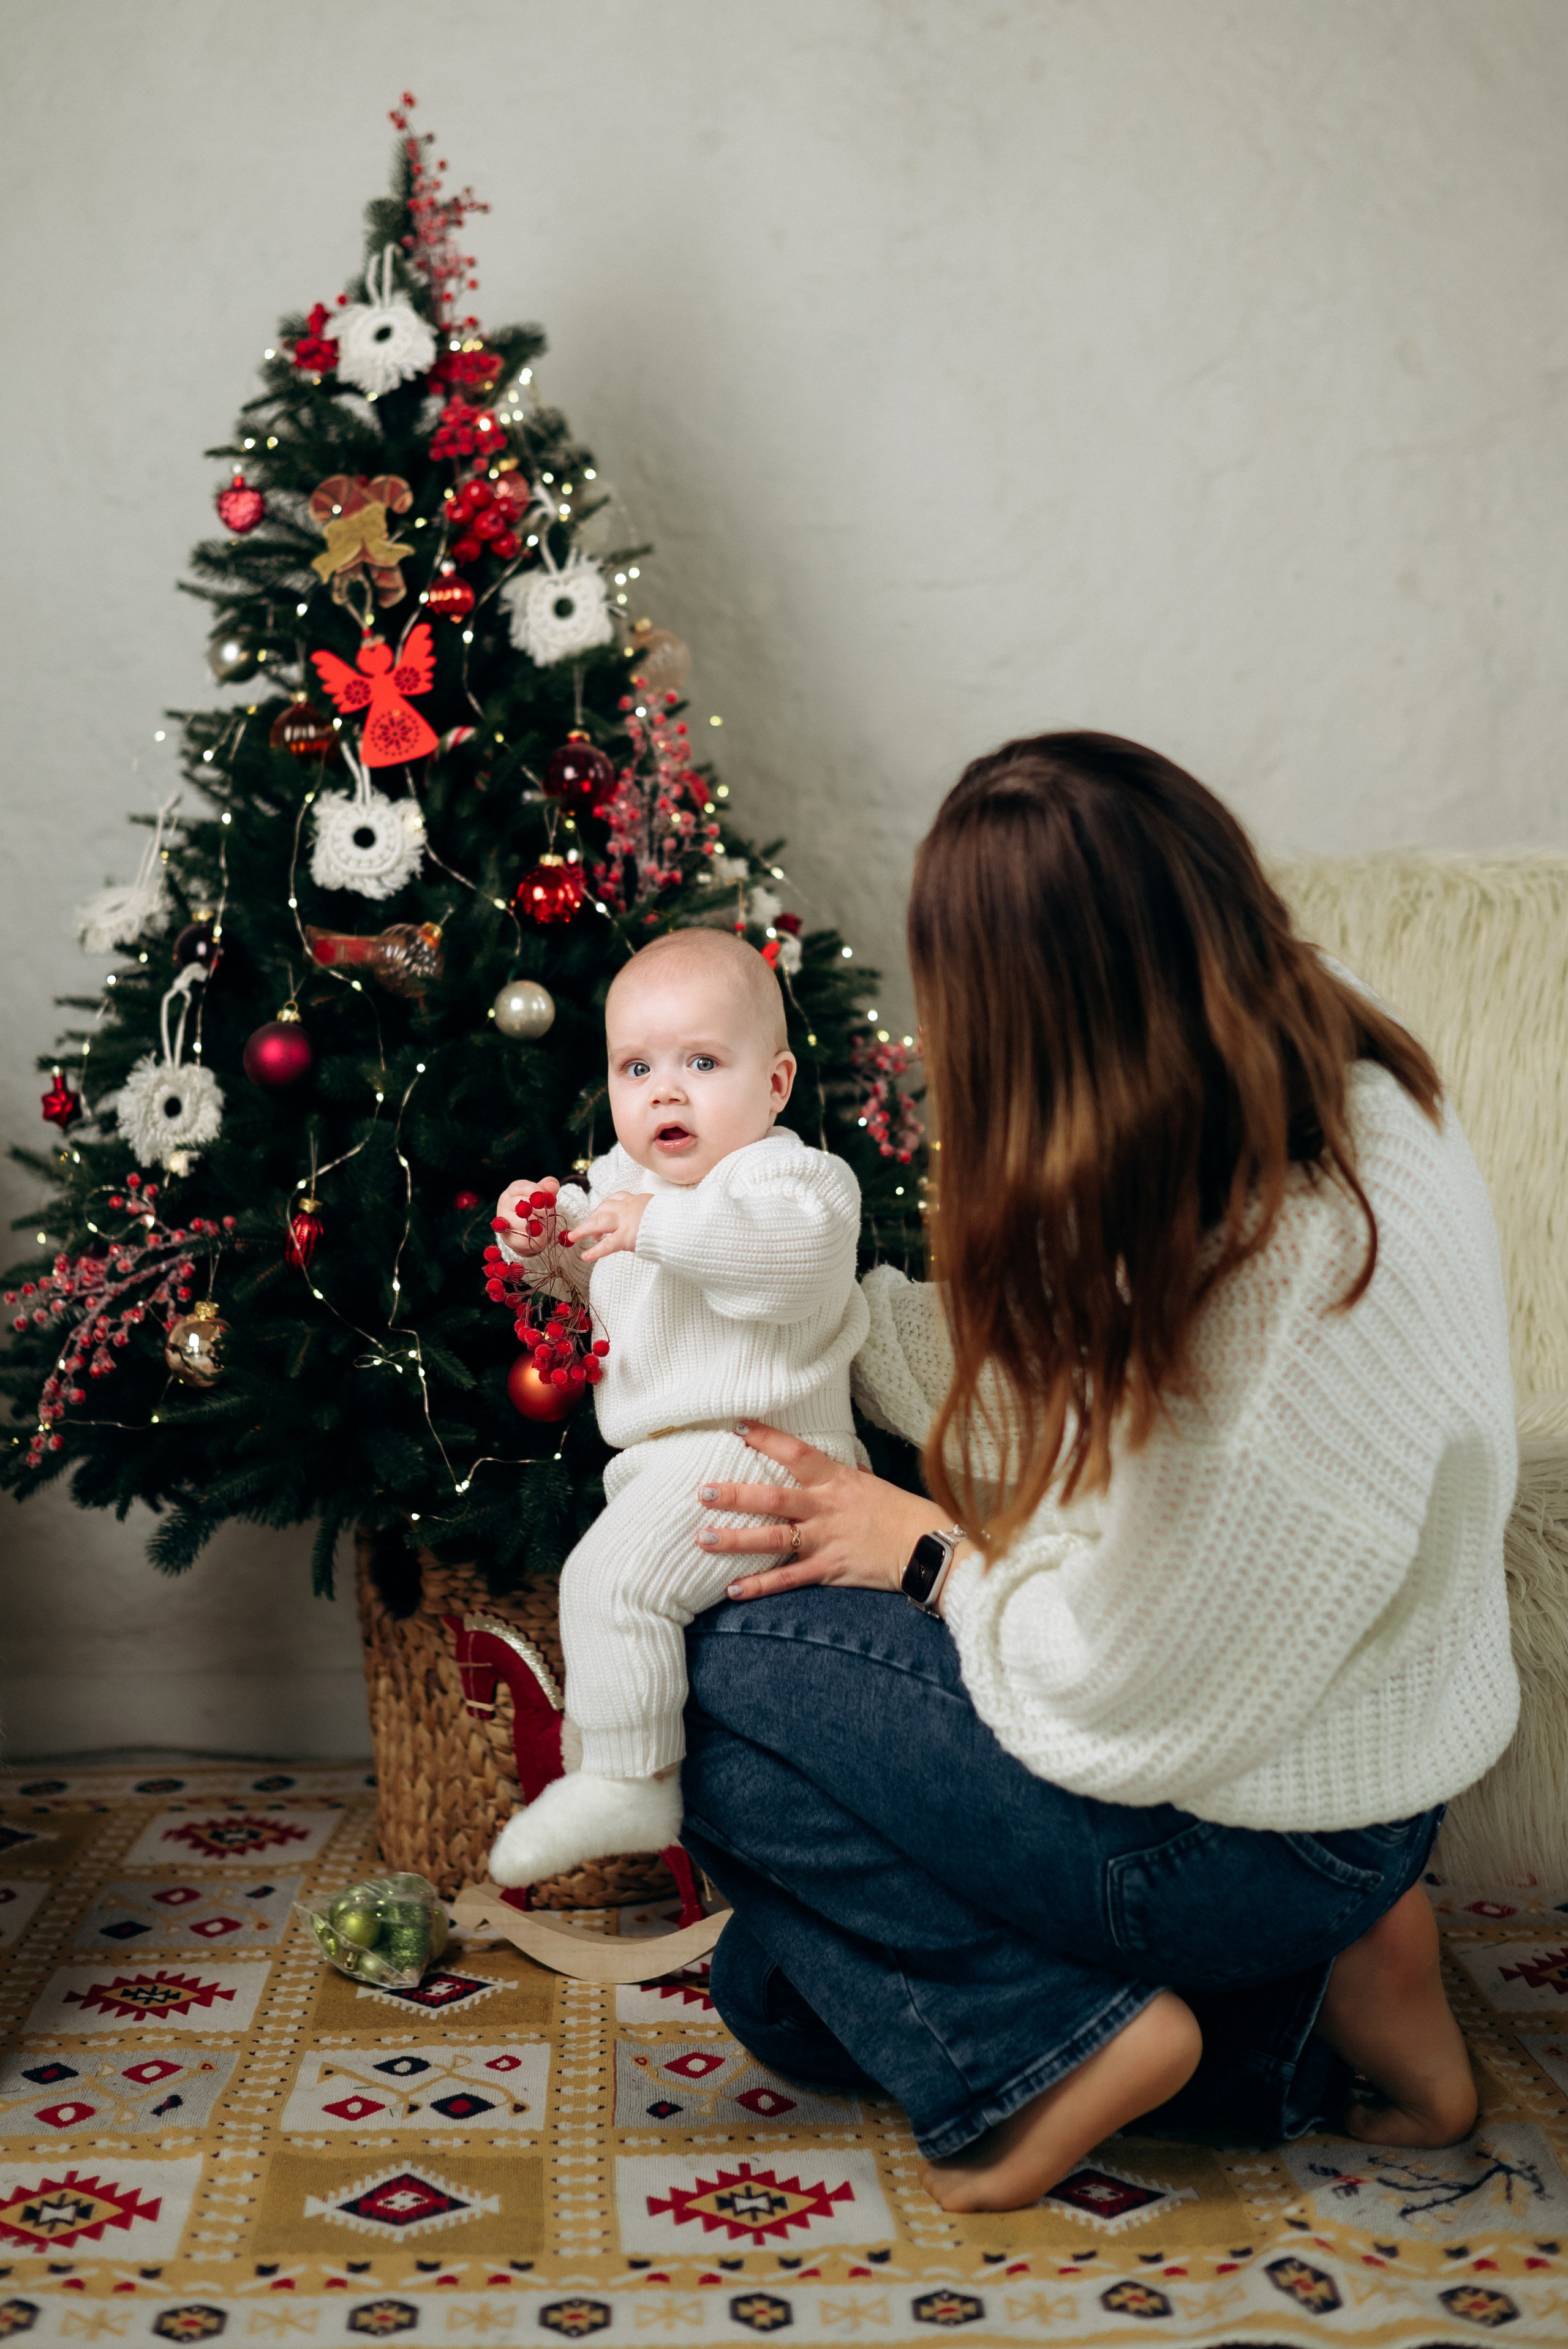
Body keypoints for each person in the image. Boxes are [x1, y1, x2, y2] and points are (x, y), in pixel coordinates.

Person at [677, 732, 1519, 2215]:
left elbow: (1127, 1695)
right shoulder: (1340, 1080)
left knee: (719, 1660)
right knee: (776, 1994)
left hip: (1242, 1822)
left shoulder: (1274, 1271)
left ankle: (1075, 2041)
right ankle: (1322, 1998)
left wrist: (929, 1554)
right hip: (1360, 1770)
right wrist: (845, 1314)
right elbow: (1076, 1428)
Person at [486, 926, 868, 1887]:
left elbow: (781, 1264)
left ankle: (628, 1780)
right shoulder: (621, 1190)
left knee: (611, 1587)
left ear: (775, 1085)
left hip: (770, 1449)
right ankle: (626, 1776)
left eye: (702, 1061)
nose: (665, 1090)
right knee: (618, 1593)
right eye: (637, 1066)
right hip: (668, 1460)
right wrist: (545, 1247)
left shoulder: (793, 1181)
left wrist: (652, 1224)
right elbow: (581, 1296)